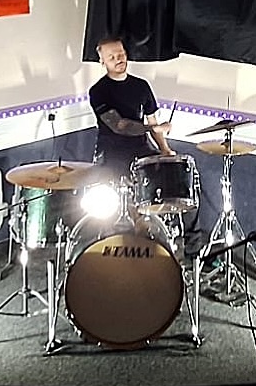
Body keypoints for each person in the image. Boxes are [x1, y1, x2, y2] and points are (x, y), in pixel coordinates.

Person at [88, 37, 207, 260]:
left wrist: (165, 150)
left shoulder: (141, 86)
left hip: (142, 150)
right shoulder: (98, 91)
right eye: (112, 57)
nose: (119, 59)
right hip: (111, 155)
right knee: (125, 198)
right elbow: (119, 125)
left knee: (186, 181)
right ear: (102, 62)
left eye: (121, 54)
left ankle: (194, 250)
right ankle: (124, 240)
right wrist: (152, 127)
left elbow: (153, 123)